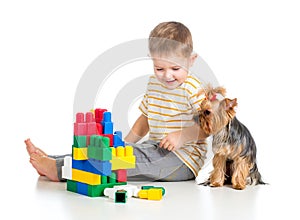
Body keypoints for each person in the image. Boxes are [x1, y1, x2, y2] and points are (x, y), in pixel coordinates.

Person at [25, 21, 209, 182]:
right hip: (156, 148)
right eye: (159, 68)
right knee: (114, 152)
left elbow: (210, 125)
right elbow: (144, 120)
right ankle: (55, 160)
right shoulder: (154, 83)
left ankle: (58, 170)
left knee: (125, 160)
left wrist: (181, 136)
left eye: (175, 68)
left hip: (182, 160)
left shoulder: (193, 88)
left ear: (191, 60)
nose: (167, 75)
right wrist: (122, 145)